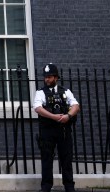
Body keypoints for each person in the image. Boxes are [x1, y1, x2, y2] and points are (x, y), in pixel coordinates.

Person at [33, 63, 80, 192]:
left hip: (64, 130)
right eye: (45, 77)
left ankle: (69, 187)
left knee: (66, 159)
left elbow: (76, 106)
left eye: (49, 77)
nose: (46, 79)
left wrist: (68, 116)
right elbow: (38, 108)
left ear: (56, 77)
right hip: (47, 131)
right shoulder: (40, 92)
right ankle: (46, 187)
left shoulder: (65, 91)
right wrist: (54, 117)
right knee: (47, 159)